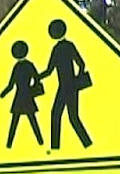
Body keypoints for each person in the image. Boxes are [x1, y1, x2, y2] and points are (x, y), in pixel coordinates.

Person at [39, 18, 94, 150]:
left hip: (65, 87)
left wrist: (37, 77)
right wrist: (76, 79)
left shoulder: (58, 49)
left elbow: (49, 70)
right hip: (70, 86)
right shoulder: (68, 46)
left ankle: (57, 147)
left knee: (59, 115)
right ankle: (86, 144)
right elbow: (81, 64)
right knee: (70, 117)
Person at [0, 40, 44, 149]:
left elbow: (11, 85)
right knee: (31, 119)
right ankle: (40, 142)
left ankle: (9, 144)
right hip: (28, 95)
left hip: (19, 96)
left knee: (16, 121)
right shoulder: (29, 65)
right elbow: (37, 78)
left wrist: (3, 94)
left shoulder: (17, 67)